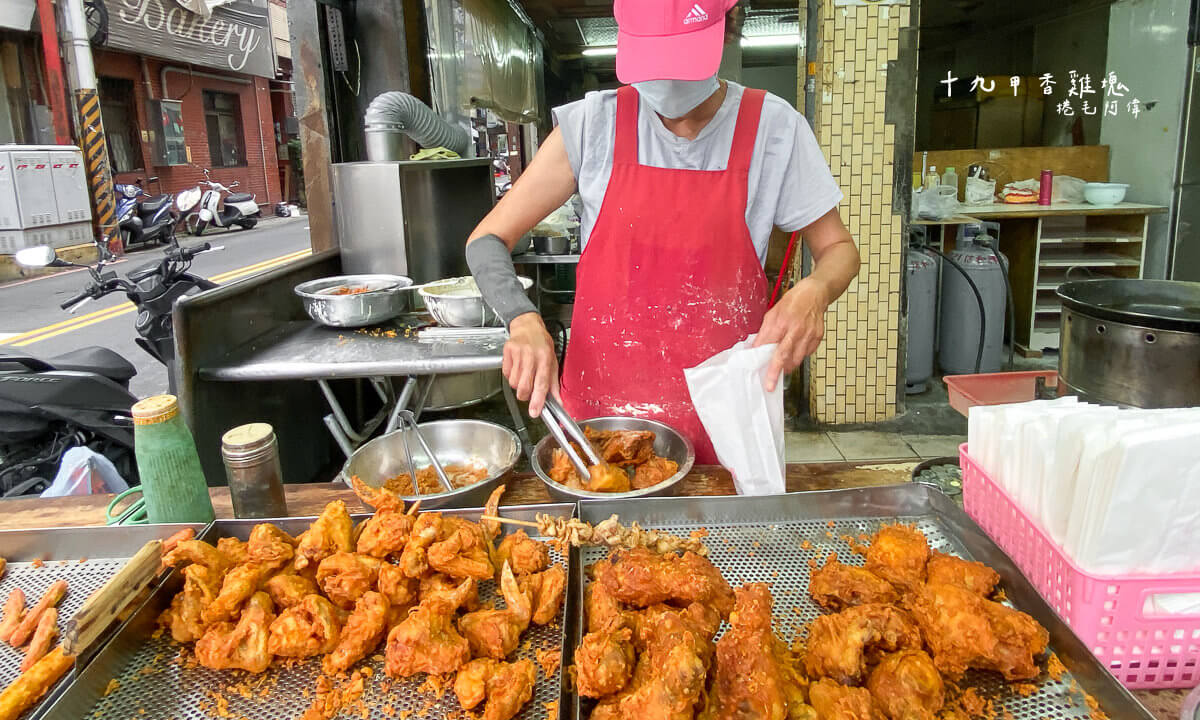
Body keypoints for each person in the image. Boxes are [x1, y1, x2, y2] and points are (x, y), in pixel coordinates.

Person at [467, 0, 860, 464]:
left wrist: (815, 289)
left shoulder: (775, 129)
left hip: (726, 422)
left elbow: (838, 249)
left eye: (683, 57)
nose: (668, 81)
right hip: (601, 429)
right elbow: (487, 240)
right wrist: (522, 318)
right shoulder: (594, 126)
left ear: (725, 30)